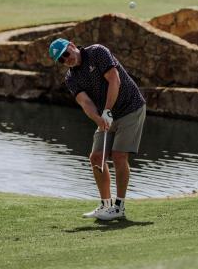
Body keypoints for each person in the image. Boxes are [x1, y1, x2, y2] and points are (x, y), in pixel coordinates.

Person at [49, 37, 146, 221]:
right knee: (96, 157)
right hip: (106, 114)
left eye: (66, 54)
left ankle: (119, 206)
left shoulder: (97, 52)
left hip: (130, 107)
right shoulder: (71, 78)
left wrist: (107, 111)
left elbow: (114, 80)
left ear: (71, 45)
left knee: (119, 155)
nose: (66, 60)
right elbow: (85, 102)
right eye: (61, 60)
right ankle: (105, 205)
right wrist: (98, 119)